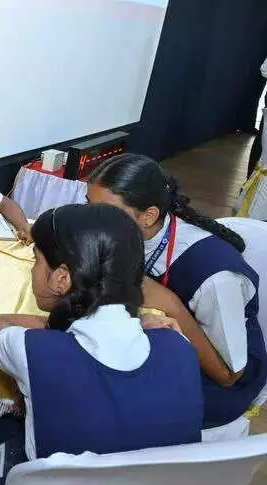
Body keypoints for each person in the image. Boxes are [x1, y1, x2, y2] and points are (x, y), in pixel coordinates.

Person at [0, 204, 201, 479]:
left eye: (36, 259)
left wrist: (54, 326)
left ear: (62, 278)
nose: (32, 269)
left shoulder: (34, 351)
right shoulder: (180, 347)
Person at [88, 153, 267, 428]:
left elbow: (229, 375)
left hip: (220, 382)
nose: (92, 222)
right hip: (163, 343)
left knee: (103, 397)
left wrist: (171, 305)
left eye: (107, 213)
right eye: (90, 206)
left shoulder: (215, 276)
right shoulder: (134, 233)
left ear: (148, 216)